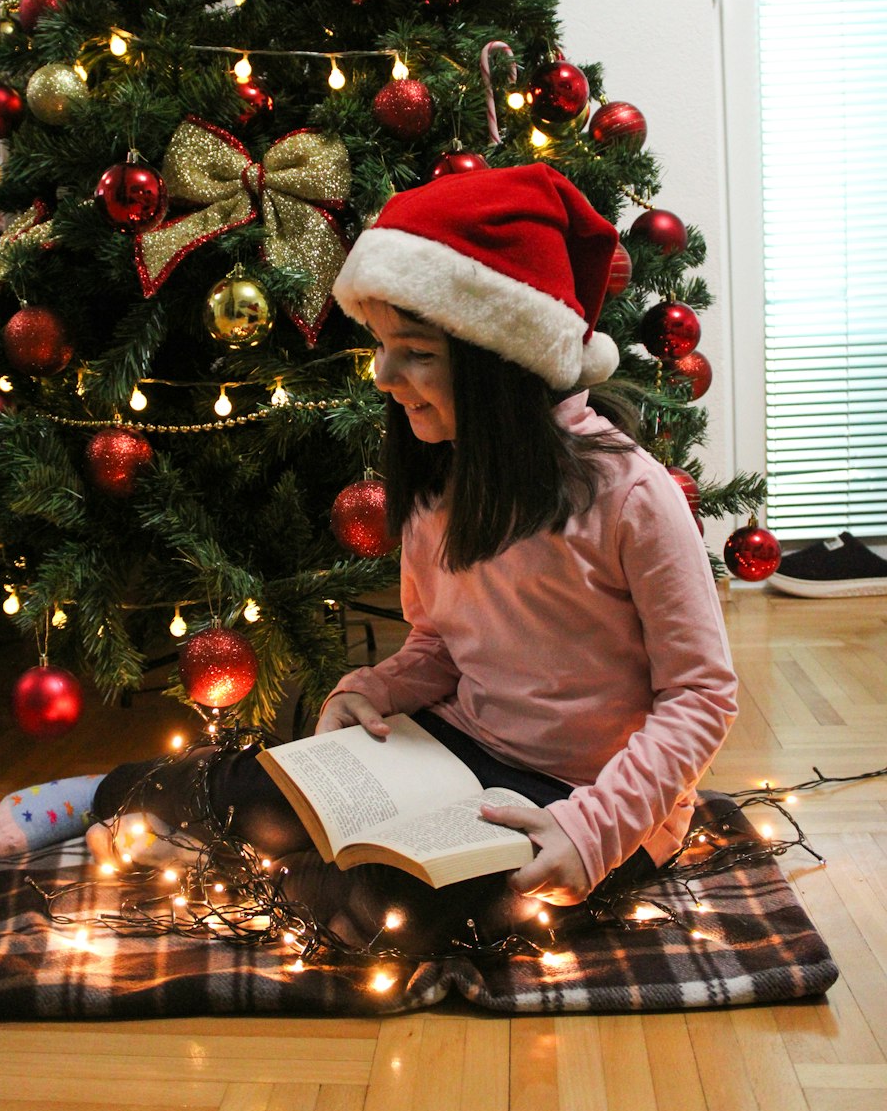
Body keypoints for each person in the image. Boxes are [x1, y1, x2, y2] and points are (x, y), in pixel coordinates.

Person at [88, 163, 738, 950]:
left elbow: (701, 697)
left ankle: (277, 868)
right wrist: (379, 686)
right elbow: (440, 644)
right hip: (456, 750)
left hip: (586, 797)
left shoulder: (631, 495)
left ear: (504, 360)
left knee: (403, 910)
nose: (384, 375)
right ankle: (129, 804)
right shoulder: (442, 484)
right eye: (383, 348)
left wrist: (592, 831)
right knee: (241, 796)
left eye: (416, 353)